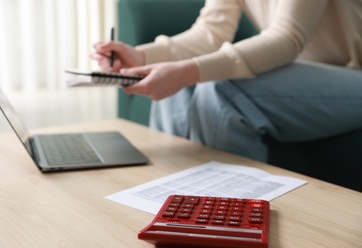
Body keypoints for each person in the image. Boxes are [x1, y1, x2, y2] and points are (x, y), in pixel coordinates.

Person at [92, 0, 362, 162]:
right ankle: (170, 208)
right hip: (303, 74)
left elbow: (287, 38)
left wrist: (188, 71)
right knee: (179, 89)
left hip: (354, 76)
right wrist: (140, 56)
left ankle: (234, 225)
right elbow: (210, 33)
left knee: (223, 88)